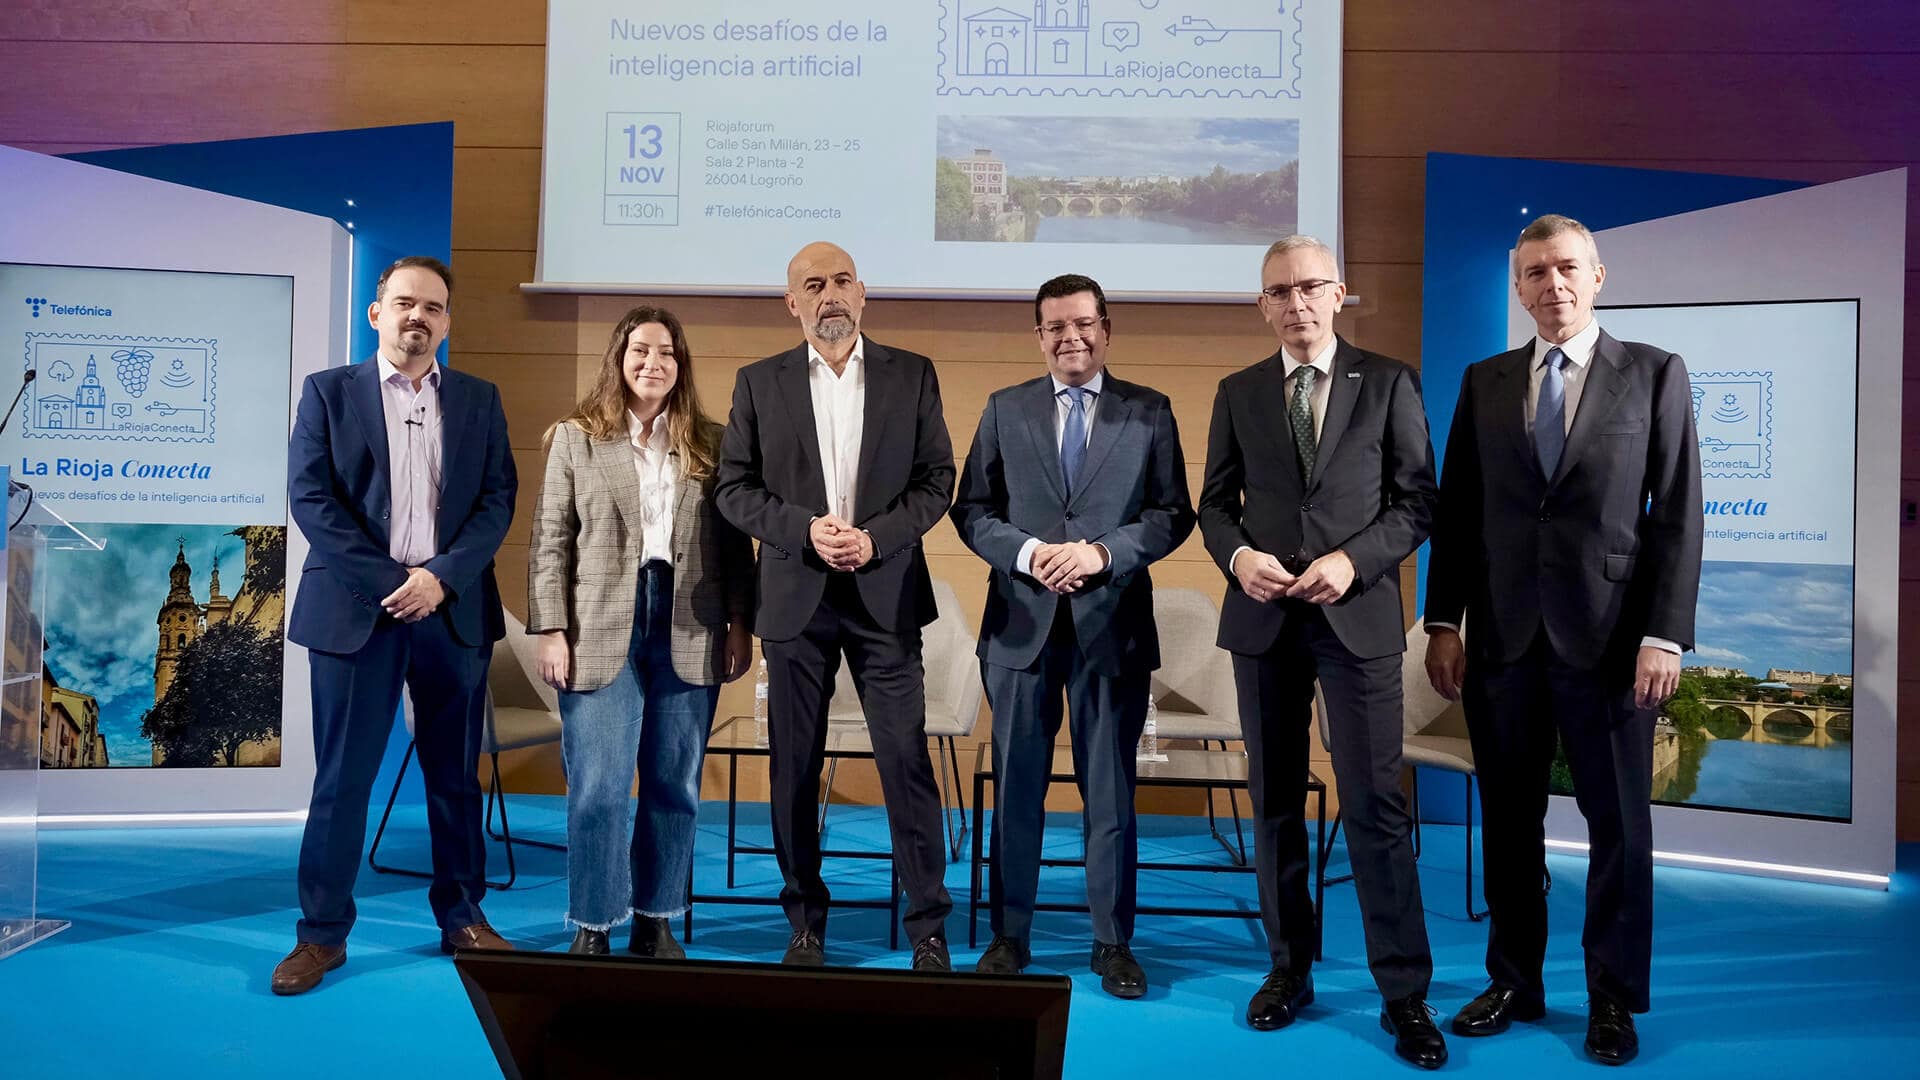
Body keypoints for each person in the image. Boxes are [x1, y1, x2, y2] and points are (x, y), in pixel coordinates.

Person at [1425, 214, 1702, 1066]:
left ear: (1599, 274)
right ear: (1518, 285)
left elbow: (1677, 516)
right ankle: (1516, 979)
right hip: (1503, 642)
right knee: (1508, 823)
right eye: (1536, 272)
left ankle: (1613, 999)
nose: (1553, 285)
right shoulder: (1484, 380)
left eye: (1567, 268)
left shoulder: (1654, 375)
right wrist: (1443, 621)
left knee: (1619, 828)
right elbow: (1459, 511)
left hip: (1613, 644)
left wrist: (1666, 634)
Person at [1198, 236, 1446, 1067]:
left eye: (1311, 287)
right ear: (1262, 305)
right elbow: (1214, 506)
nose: (1297, 303)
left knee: (1375, 806)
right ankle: (1288, 970)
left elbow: (1417, 505)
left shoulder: (1389, 382)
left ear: (1340, 293)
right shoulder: (1237, 392)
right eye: (1280, 291)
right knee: (1273, 805)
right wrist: (1239, 558)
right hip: (1264, 621)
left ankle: (1404, 995)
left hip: (1358, 618)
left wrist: (1352, 560)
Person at [274, 256, 518, 995]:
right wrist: (395, 584)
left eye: (434, 308)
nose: (419, 317)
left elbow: (497, 501)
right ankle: (320, 935)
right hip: (359, 610)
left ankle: (463, 915)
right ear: (376, 312)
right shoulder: (329, 392)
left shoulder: (478, 398)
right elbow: (311, 499)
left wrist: (438, 579)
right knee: (344, 778)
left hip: (452, 610)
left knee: (453, 777)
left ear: (447, 321)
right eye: (405, 303)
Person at [714, 242, 956, 971]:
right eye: (812, 285)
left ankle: (928, 927)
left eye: (842, 281)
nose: (830, 295)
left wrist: (875, 539)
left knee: (905, 762)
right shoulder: (759, 383)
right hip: (793, 598)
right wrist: (806, 531)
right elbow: (733, 488)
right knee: (793, 766)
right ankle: (805, 922)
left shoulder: (912, 374)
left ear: (864, 293)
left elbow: (936, 479)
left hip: (884, 599)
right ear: (791, 304)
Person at [951, 273, 1194, 998]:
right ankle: (1010, 936)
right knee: (1017, 789)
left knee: (1111, 795)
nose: (1071, 338)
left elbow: (1171, 513)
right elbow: (973, 510)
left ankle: (1112, 942)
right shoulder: (1003, 409)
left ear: (1107, 329)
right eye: (1055, 326)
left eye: (1084, 324)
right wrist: (1028, 555)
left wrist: (1102, 554)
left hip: (1110, 628)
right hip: (1021, 631)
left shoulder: (1149, 412)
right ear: (1039, 336)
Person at [527, 305, 754, 957]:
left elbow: (736, 546)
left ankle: (656, 917)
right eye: (640, 351)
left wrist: (742, 623)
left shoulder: (712, 440)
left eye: (666, 353)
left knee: (673, 782)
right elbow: (550, 539)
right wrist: (550, 629)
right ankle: (594, 923)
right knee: (599, 786)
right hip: (598, 626)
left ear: (681, 366)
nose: (653, 362)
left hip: (691, 623)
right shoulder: (577, 437)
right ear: (618, 361)